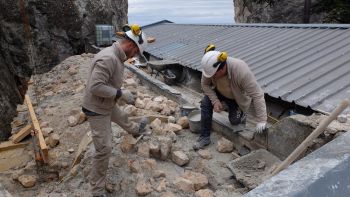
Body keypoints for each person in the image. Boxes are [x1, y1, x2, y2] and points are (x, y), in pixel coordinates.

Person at [82, 24, 149, 197]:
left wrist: (119, 91)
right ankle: (96, 191)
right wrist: (120, 93)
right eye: (136, 52)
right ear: (132, 46)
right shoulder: (109, 58)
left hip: (106, 102)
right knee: (104, 148)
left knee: (122, 116)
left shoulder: (117, 56)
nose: (135, 56)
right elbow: (95, 86)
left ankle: (135, 130)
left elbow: (107, 81)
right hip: (96, 108)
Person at [193, 44, 267, 150]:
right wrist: (215, 101)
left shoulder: (241, 70)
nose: (210, 77)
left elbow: (257, 94)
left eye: (213, 75)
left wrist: (262, 120)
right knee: (205, 103)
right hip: (220, 91)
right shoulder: (211, 67)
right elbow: (204, 85)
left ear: (222, 69)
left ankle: (240, 114)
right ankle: (204, 137)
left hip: (236, 98)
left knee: (235, 122)